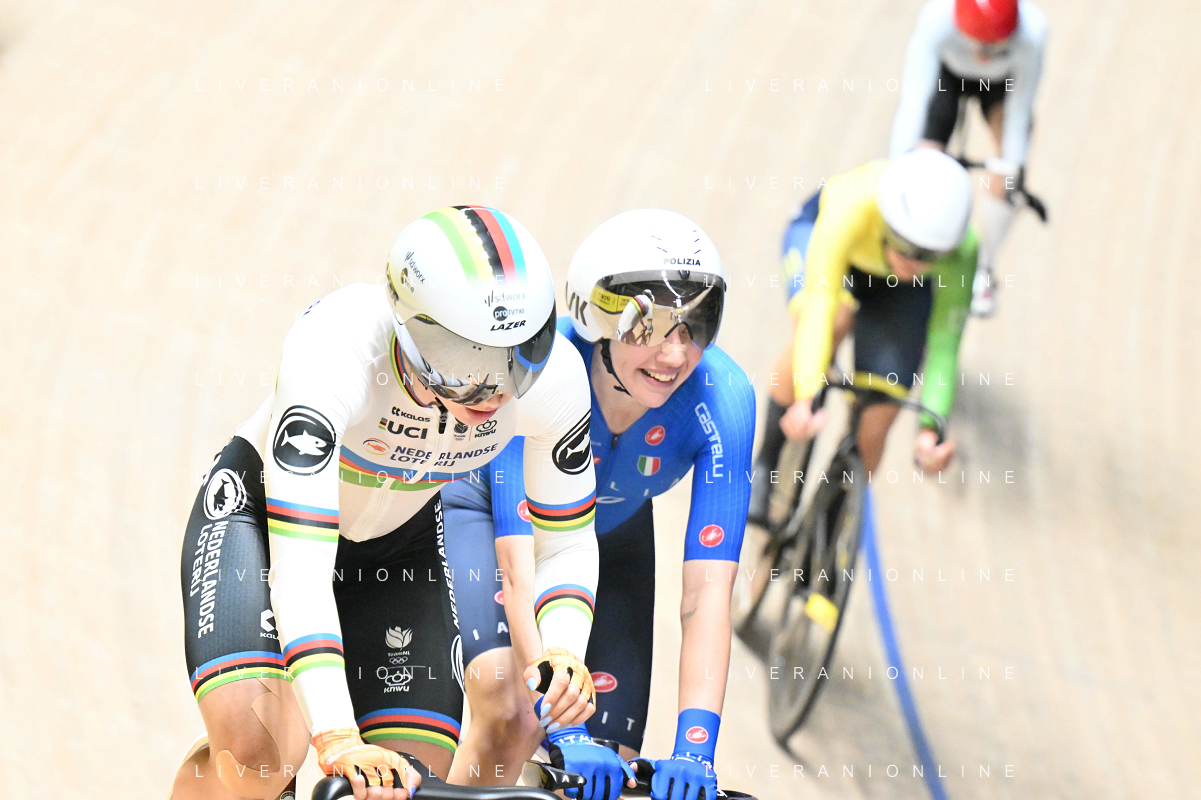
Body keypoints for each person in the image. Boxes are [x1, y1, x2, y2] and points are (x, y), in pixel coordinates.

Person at [172, 206, 602, 800]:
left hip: (400, 545)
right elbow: (301, 574)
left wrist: (564, 646)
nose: (495, 388)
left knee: (408, 779)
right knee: (263, 753)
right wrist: (337, 735)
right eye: (468, 360)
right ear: (412, 330)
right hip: (264, 525)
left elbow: (568, 542)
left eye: (519, 353)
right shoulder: (337, 346)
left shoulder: (555, 380)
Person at [441, 210, 755, 800]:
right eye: (647, 327)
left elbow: (707, 595)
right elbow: (519, 564)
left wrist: (696, 749)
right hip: (489, 518)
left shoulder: (725, 398)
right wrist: (562, 723)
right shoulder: (539, 367)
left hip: (613, 539)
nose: (673, 355)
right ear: (594, 318)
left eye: (695, 326)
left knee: (607, 772)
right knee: (513, 711)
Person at [748, 149, 977, 524]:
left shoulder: (962, 250)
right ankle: (765, 464)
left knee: (881, 408)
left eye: (929, 256)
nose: (913, 262)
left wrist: (930, 430)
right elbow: (820, 305)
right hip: (826, 242)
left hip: (897, 289)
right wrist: (806, 396)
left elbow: (944, 345)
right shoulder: (852, 205)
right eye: (905, 245)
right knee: (831, 321)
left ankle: (834, 522)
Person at [890, 0, 1047, 316]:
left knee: (1009, 172)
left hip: (1001, 84)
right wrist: (898, 167)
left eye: (995, 47)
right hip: (947, 77)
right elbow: (915, 99)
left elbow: (1019, 112)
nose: (983, 55)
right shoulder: (937, 17)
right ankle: (914, 245)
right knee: (923, 156)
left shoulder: (1034, 33)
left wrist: (1012, 168)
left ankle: (983, 266)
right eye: (978, 44)